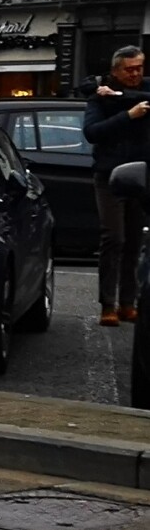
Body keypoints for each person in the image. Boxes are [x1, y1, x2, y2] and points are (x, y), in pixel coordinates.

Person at [84, 44, 150, 327]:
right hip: (109, 176)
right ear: (115, 70)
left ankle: (128, 302)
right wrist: (128, 115)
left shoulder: (141, 92)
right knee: (115, 238)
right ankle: (107, 304)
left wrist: (122, 97)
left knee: (135, 240)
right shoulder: (98, 99)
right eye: (129, 69)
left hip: (141, 175)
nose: (135, 73)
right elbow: (92, 133)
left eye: (139, 68)